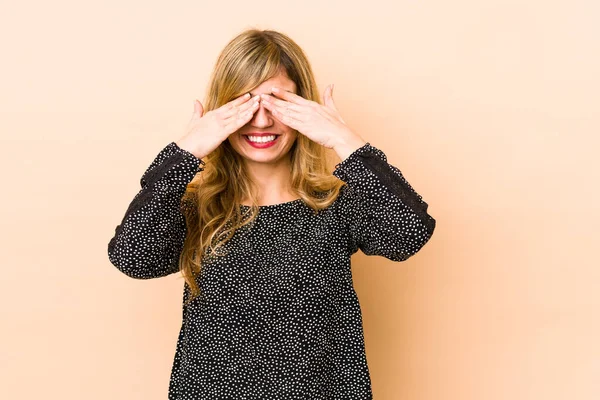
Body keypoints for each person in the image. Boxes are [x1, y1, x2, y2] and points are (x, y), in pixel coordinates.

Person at [107, 28, 436, 400]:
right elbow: (133, 258)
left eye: (277, 103)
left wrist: (345, 141)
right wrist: (184, 153)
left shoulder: (337, 203)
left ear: (304, 107)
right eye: (244, 104)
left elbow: (408, 234)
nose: (261, 122)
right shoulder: (195, 206)